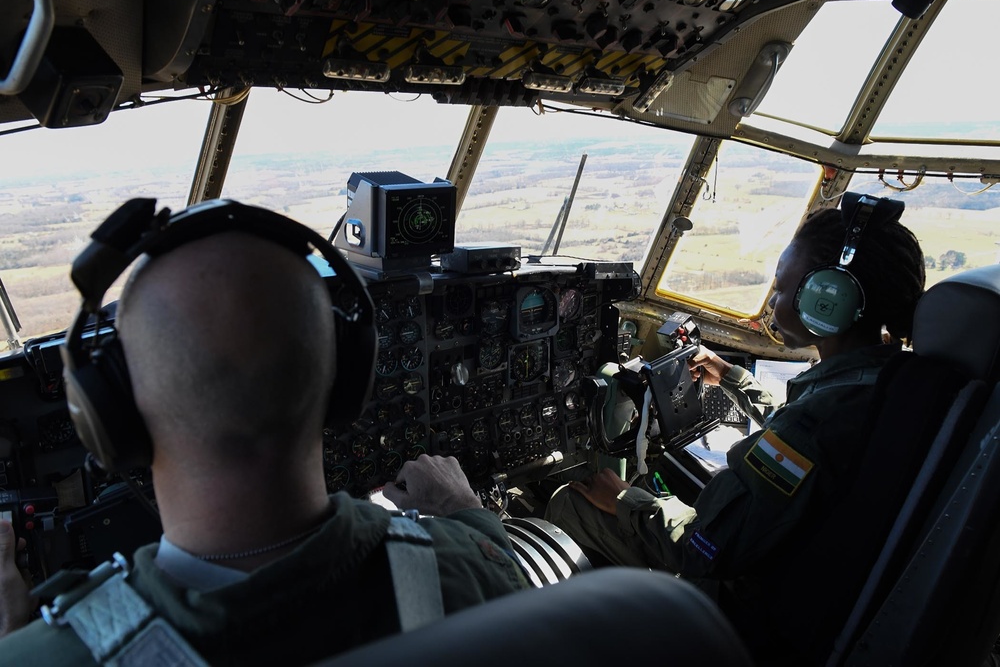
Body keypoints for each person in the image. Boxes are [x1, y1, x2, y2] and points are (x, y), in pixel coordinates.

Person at [0, 202, 528, 665]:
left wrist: (17, 639)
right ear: (345, 380)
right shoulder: (469, 574)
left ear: (108, 418)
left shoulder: (40, 656)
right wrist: (468, 513)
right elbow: (510, 588)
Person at [545, 193, 926, 664]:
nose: (772, 303)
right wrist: (732, 377)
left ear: (830, 303)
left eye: (783, 290)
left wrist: (624, 499)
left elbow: (704, 548)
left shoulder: (820, 422)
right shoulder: (888, 382)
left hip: (750, 625)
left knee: (570, 503)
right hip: (829, 601)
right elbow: (803, 428)